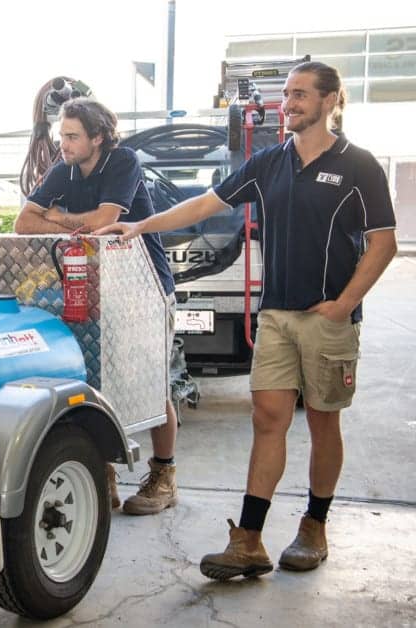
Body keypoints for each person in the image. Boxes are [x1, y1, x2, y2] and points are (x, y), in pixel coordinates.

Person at [95, 61, 397, 580]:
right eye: (287, 94)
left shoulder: (359, 165)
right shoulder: (270, 162)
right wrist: (141, 224)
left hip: (329, 317)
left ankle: (314, 526)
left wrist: (344, 304)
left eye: (301, 94)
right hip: (276, 313)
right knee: (267, 419)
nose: (290, 102)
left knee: (324, 423)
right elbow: (204, 204)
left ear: (330, 100)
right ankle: (250, 541)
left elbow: (383, 243)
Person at [15, 97, 181, 516]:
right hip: (88, 291)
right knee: (91, 382)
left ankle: (164, 475)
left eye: (72, 136)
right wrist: (73, 220)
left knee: (150, 381)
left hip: (145, 288)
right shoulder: (64, 168)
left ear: (98, 138)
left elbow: (105, 222)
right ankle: (102, 474)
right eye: (61, 136)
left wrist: (58, 217)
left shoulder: (123, 162)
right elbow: (23, 222)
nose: (64, 144)